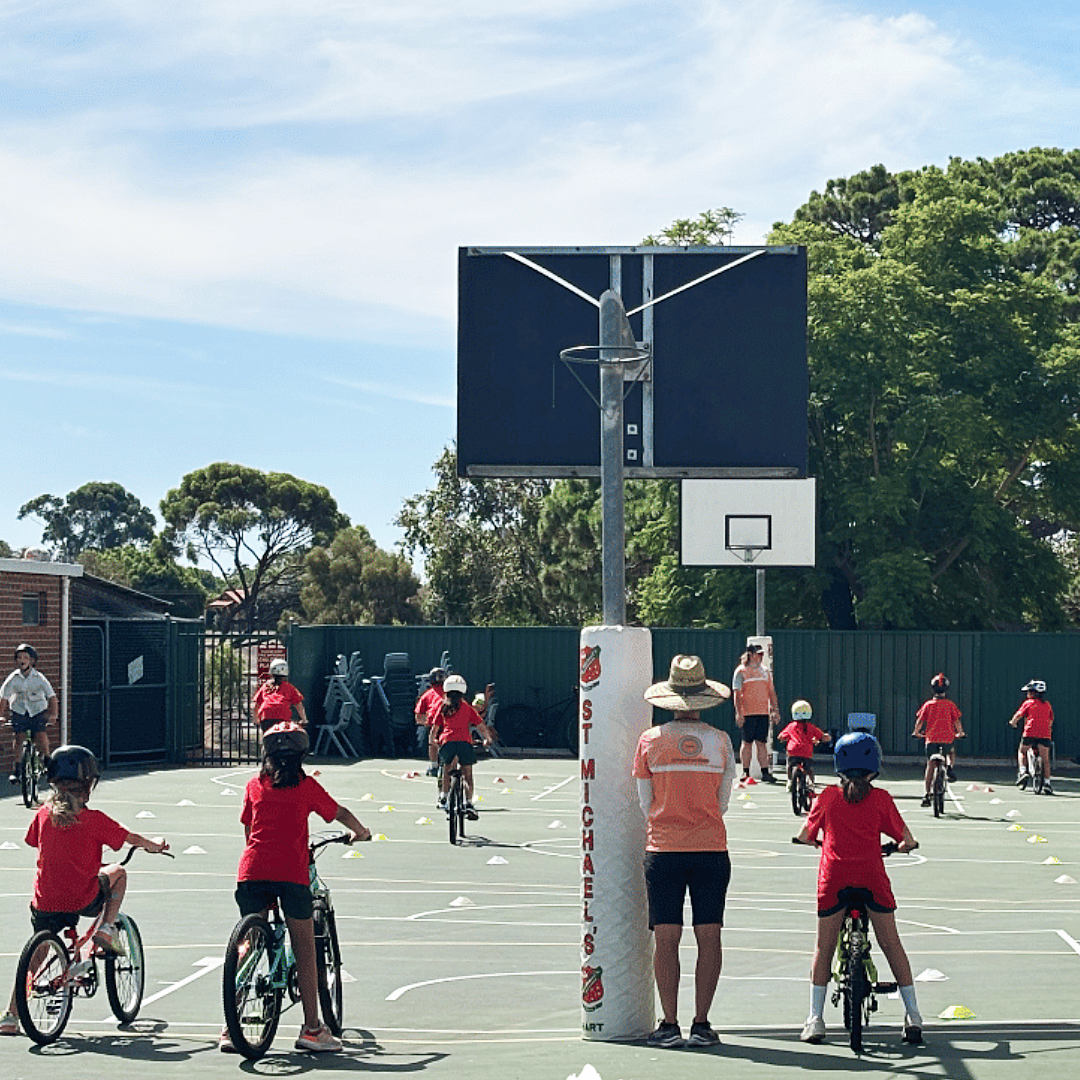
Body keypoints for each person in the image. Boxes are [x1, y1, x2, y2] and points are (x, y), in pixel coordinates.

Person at [0, 745, 169, 1037]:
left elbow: (32, 842)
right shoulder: (95, 820)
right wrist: (154, 844)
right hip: (83, 898)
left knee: (36, 955)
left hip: (46, 901)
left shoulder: (42, 816)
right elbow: (130, 838)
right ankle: (105, 928)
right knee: (118, 872)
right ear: (88, 786)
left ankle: (10, 1016)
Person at [221, 720, 370, 1054]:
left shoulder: (254, 786)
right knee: (304, 948)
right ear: (302, 754)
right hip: (291, 872)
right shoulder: (306, 787)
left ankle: (232, 1027)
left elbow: (248, 829)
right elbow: (339, 812)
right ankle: (312, 1029)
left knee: (249, 945)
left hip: (252, 871)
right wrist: (361, 831)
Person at [794, 732, 923, 1046]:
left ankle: (815, 1019)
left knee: (823, 947)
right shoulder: (880, 799)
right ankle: (914, 1016)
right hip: (871, 878)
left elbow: (804, 835)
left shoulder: (827, 797)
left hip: (833, 879)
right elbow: (907, 839)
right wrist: (901, 847)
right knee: (891, 944)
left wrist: (813, 841)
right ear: (874, 765)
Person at [634, 654, 736, 1048]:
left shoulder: (650, 740)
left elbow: (645, 801)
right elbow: (723, 801)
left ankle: (669, 1023)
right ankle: (702, 1023)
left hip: (663, 848)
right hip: (711, 847)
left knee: (666, 936)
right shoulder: (721, 742)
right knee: (709, 934)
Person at [431, 675, 493, 817]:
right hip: (465, 742)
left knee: (447, 769)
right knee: (467, 774)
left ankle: (444, 797)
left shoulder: (443, 707)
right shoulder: (467, 708)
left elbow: (435, 728)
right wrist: (487, 739)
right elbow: (480, 726)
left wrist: (433, 741)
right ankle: (469, 803)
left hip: (447, 742)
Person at [1, 643, 57, 784]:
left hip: (37, 710)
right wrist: (1, 715)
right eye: (19, 657)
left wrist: (53, 715)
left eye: (25, 657)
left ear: (32, 661)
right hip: (19, 711)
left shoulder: (39, 678)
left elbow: (52, 697)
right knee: (19, 738)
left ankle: (46, 759)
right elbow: (4, 698)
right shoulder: (13, 678)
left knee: (40, 735)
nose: (22, 660)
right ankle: (17, 769)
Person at [912, 672, 965, 805]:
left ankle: (927, 793)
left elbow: (920, 721)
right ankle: (950, 767)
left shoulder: (928, 705)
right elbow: (957, 721)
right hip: (947, 738)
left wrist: (916, 732)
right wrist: (960, 732)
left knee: (930, 764)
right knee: (951, 751)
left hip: (931, 739)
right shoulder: (950, 705)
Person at [731, 643, 780, 783]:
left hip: (763, 713)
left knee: (761, 743)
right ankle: (745, 772)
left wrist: (775, 709)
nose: (761, 656)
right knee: (746, 743)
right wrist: (739, 713)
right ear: (750, 655)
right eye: (758, 653)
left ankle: (765, 773)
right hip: (747, 713)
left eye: (762, 654)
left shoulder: (765, 671)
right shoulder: (741, 671)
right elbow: (737, 694)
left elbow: (771, 692)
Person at [1010, 679, 1054, 795]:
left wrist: (1013, 722)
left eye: (1029, 691)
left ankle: (1023, 771)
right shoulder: (1047, 704)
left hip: (1030, 732)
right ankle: (1047, 783)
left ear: (1034, 693)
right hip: (1045, 734)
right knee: (1045, 759)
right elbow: (1050, 720)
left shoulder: (1028, 703)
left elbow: (1019, 714)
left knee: (1022, 751)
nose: (1027, 694)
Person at [776, 699, 831, 788]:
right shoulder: (811, 727)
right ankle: (811, 782)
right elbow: (823, 737)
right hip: (806, 751)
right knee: (809, 768)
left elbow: (781, 736)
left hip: (793, 750)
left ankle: (789, 780)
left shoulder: (791, 726)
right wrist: (826, 738)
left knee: (789, 764)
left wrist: (782, 739)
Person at [253, 658, 307, 733]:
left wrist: (255, 719)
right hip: (283, 715)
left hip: (266, 715)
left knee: (268, 738)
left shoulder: (266, 686)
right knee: (284, 737)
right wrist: (304, 719)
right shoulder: (289, 687)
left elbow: (257, 704)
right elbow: (298, 705)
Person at [415, 667, 446, 776]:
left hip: (435, 723)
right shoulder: (451, 694)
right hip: (449, 722)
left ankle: (434, 766)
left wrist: (426, 722)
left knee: (432, 742)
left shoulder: (427, 694)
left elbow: (418, 716)